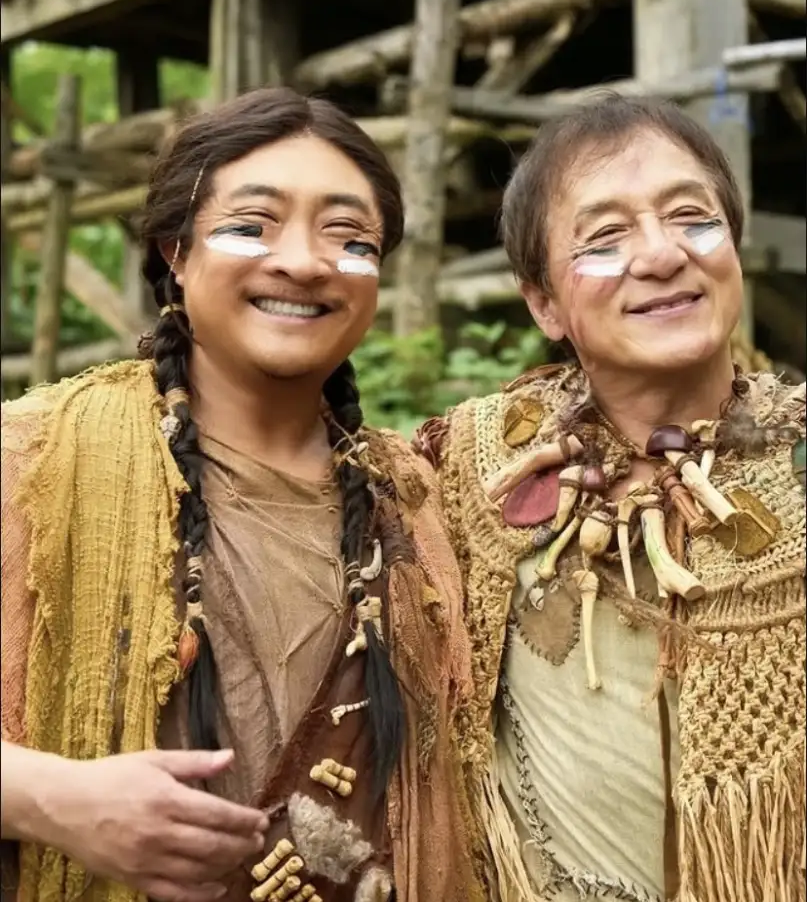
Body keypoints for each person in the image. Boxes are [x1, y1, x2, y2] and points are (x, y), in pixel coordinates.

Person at [0, 88, 485, 902]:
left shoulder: (416, 501)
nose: (303, 261)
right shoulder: (36, 461)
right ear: (176, 253)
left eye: (350, 238)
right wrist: (53, 799)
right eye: (252, 225)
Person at [417, 95, 806, 902]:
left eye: (691, 218)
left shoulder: (794, 454)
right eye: (603, 238)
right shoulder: (465, 471)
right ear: (543, 305)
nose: (661, 255)